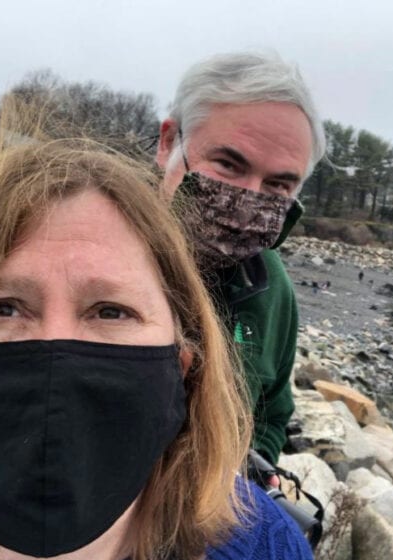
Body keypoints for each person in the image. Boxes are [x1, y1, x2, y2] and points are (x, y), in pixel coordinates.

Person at [0, 129, 318, 560]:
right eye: (0, 308)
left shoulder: (265, 552)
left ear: (182, 365)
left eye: (111, 311)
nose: (56, 345)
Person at [155, 52, 326, 466]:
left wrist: (252, 470)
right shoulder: (87, 253)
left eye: (278, 185)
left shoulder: (271, 287)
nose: (248, 198)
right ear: (168, 143)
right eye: (229, 165)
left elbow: (271, 414)